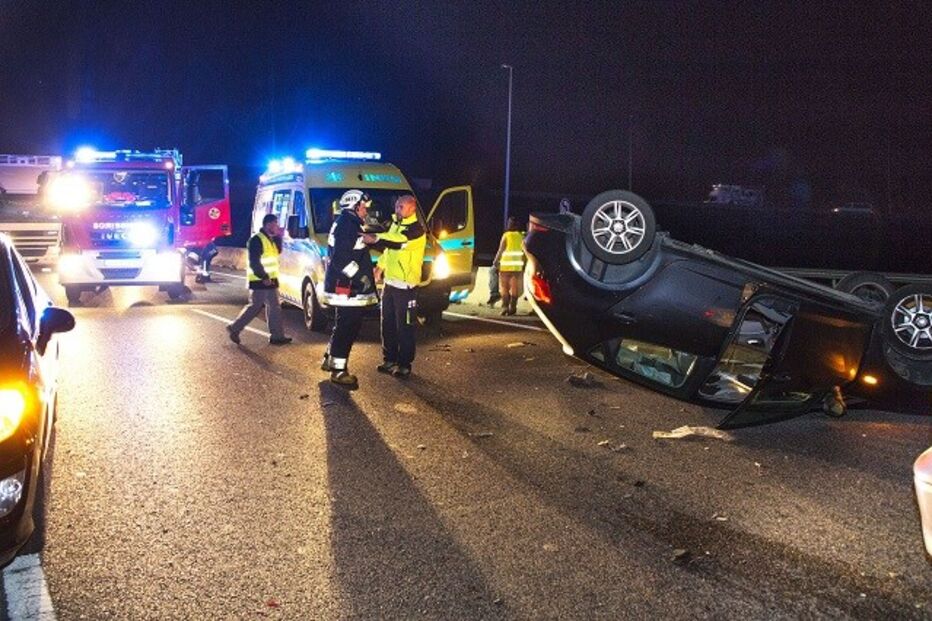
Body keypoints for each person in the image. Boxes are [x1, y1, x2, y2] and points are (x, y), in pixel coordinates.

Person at [319, 190, 379, 389]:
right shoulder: (347, 225)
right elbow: (340, 259)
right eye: (364, 207)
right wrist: (360, 277)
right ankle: (339, 371)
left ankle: (331, 360)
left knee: (342, 324)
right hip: (348, 288)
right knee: (348, 327)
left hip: (346, 287)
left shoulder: (347, 223)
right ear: (355, 206)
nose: (366, 210)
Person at [371, 194, 425, 378]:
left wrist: (375, 237)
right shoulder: (395, 224)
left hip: (406, 286)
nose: (397, 209)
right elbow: (388, 250)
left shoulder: (417, 230)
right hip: (391, 283)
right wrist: (380, 267)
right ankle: (389, 359)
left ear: (412, 208)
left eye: (401, 207)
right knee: (387, 323)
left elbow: (397, 242)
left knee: (405, 326)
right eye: (396, 206)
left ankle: (404, 364)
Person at [227, 214, 292, 345]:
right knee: (255, 307)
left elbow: (277, 252)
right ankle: (234, 328)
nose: (277, 226)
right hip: (260, 280)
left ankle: (277, 336)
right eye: (275, 224)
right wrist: (264, 276)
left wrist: (278, 236)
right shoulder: (256, 240)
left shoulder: (270, 239)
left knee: (274, 307)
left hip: (270, 279)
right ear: (268, 225)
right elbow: (254, 261)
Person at [492, 216, 526, 316]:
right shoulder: (522, 236)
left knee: (504, 288)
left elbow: (501, 250)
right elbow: (524, 252)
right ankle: (513, 307)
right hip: (517, 268)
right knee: (515, 290)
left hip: (505, 267)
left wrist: (495, 261)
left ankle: (505, 307)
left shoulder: (506, 235)